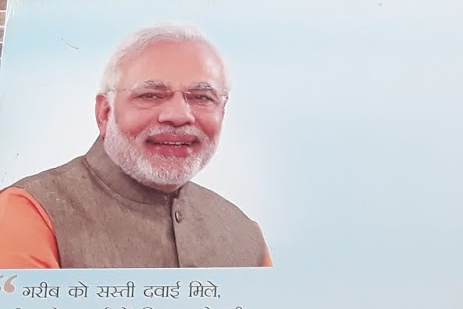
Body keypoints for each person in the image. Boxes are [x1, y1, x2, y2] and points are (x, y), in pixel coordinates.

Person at [0, 22, 271, 269]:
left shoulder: (245, 236)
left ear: (222, 112)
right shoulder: (29, 213)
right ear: (105, 113)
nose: (179, 115)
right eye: (150, 95)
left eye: (201, 97)